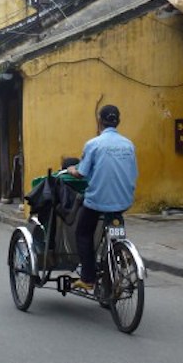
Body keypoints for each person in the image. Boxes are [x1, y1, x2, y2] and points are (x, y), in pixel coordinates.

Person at [66, 105, 138, 292]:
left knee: (83, 233)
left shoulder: (94, 144)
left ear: (99, 121)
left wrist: (72, 170)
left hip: (98, 201)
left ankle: (88, 278)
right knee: (115, 229)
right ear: (118, 121)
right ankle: (119, 258)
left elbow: (82, 173)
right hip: (123, 200)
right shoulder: (129, 145)